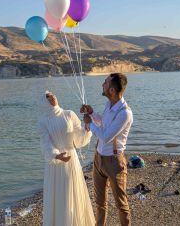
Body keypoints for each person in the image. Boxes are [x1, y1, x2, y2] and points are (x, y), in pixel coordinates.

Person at [81, 73, 133, 226]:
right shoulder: (108, 105)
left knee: (121, 204)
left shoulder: (125, 113)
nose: (102, 85)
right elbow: (104, 123)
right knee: (99, 202)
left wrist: (89, 124)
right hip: (99, 158)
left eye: (105, 83)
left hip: (114, 162)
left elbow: (106, 136)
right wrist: (91, 113)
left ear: (111, 90)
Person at [37, 91, 95, 226]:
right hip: (55, 163)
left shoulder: (69, 114)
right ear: (43, 102)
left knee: (72, 192)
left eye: (52, 94)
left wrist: (87, 127)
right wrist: (56, 155)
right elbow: (45, 142)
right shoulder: (42, 122)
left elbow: (78, 139)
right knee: (58, 196)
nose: (52, 97)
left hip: (71, 160)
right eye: (47, 96)